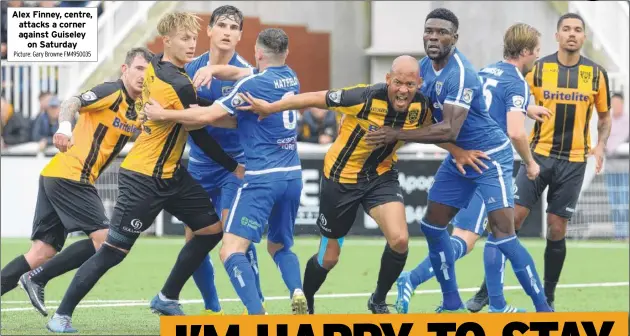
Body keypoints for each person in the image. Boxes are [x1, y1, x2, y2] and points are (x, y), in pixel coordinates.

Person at [231, 54, 489, 314]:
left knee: (400, 240)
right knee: (329, 257)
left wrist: (457, 152)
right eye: (398, 82)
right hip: (340, 179)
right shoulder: (364, 97)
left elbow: (431, 131)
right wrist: (270, 107)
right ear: (388, 79)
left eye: (410, 85)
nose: (403, 90)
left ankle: (377, 299)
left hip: (380, 176)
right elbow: (314, 97)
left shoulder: (421, 107)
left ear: (419, 84)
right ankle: (306, 300)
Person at [45, 13, 244, 333]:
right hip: (143, 177)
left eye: (193, 38)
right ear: (166, 41)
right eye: (183, 38)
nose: (191, 44)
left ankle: (167, 296)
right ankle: (61, 315)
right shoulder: (176, 81)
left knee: (210, 230)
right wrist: (234, 163)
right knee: (113, 251)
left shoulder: (161, 70)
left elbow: (190, 104)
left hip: (171, 174)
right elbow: (200, 129)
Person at [365, 8, 553, 313]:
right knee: (432, 227)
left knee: (503, 236)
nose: (433, 37)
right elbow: (421, 114)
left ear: (455, 38)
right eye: (429, 31)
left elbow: (449, 127)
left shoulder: (462, 72)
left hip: (490, 157)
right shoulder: (422, 69)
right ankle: (452, 302)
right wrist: (455, 152)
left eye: (441, 32)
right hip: (461, 157)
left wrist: (394, 133)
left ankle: (544, 311)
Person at [144, 28, 306, 315]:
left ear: (257, 52)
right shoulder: (292, 76)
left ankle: (258, 315)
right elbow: (240, 82)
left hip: (259, 177)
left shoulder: (252, 85)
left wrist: (164, 115)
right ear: (287, 53)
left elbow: (207, 116)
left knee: (230, 249)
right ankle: (296, 289)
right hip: (292, 174)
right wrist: (215, 68)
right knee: (279, 245)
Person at [466, 12, 612, 312]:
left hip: (573, 163)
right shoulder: (536, 69)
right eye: (566, 29)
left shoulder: (596, 74)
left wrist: (600, 146)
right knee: (510, 221)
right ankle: (486, 291)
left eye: (578, 30)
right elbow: (514, 100)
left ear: (583, 37)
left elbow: (606, 117)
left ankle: (548, 297)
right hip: (537, 157)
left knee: (557, 229)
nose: (572, 34)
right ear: (557, 36)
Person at [0, 47, 151, 312]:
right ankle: (38, 278)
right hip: (71, 176)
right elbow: (72, 102)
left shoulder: (138, 108)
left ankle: (34, 275)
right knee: (107, 241)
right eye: (139, 68)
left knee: (41, 253)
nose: (143, 76)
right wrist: (64, 127)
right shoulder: (111, 91)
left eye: (148, 72)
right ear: (125, 70)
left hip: (56, 176)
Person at [182, 4, 264, 315]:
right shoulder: (190, 70)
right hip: (200, 166)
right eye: (223, 26)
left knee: (233, 236)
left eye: (234, 28)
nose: (227, 32)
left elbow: (237, 121)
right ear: (210, 30)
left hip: (237, 167)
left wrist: (202, 115)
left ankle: (256, 304)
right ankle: (212, 306)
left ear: (241, 35)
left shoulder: (246, 74)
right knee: (196, 241)